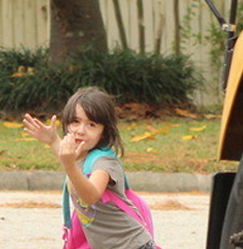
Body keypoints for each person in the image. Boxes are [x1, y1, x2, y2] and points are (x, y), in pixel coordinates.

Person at [23, 87, 156, 249]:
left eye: (91, 125)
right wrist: (52, 140)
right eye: (75, 122)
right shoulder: (81, 155)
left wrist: (69, 165)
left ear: (104, 131)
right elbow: (69, 158)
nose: (80, 131)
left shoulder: (104, 162)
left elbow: (90, 196)